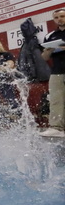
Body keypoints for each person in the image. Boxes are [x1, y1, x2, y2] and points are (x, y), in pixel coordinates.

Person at [41, 8, 65, 136]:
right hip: (57, 72)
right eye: (56, 17)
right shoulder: (50, 36)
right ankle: (56, 127)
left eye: (62, 16)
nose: (59, 19)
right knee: (56, 99)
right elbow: (44, 58)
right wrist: (49, 50)